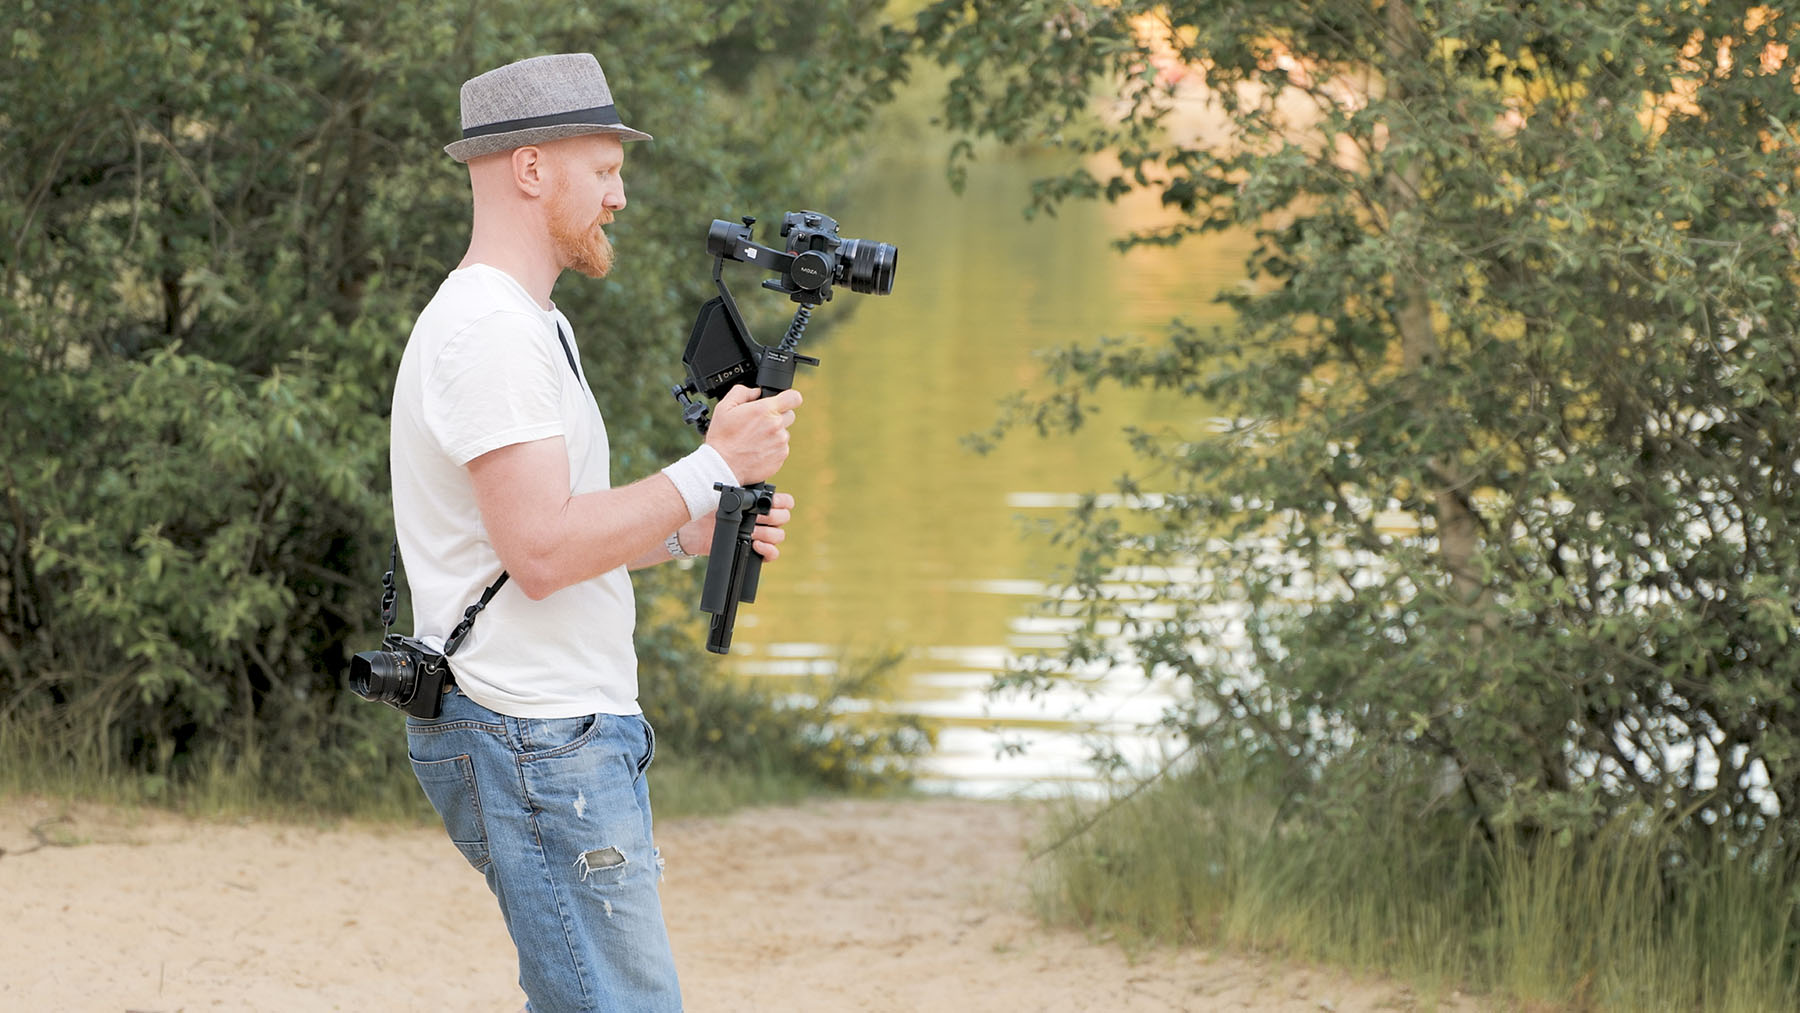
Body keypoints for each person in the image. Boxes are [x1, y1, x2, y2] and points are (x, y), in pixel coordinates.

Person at [389, 53, 799, 1012]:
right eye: (604, 168)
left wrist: (685, 533)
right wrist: (711, 467)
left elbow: (556, 532)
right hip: (536, 738)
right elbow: (539, 554)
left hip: (560, 734)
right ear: (532, 170)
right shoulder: (489, 330)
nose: (620, 195)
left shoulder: (535, 323)